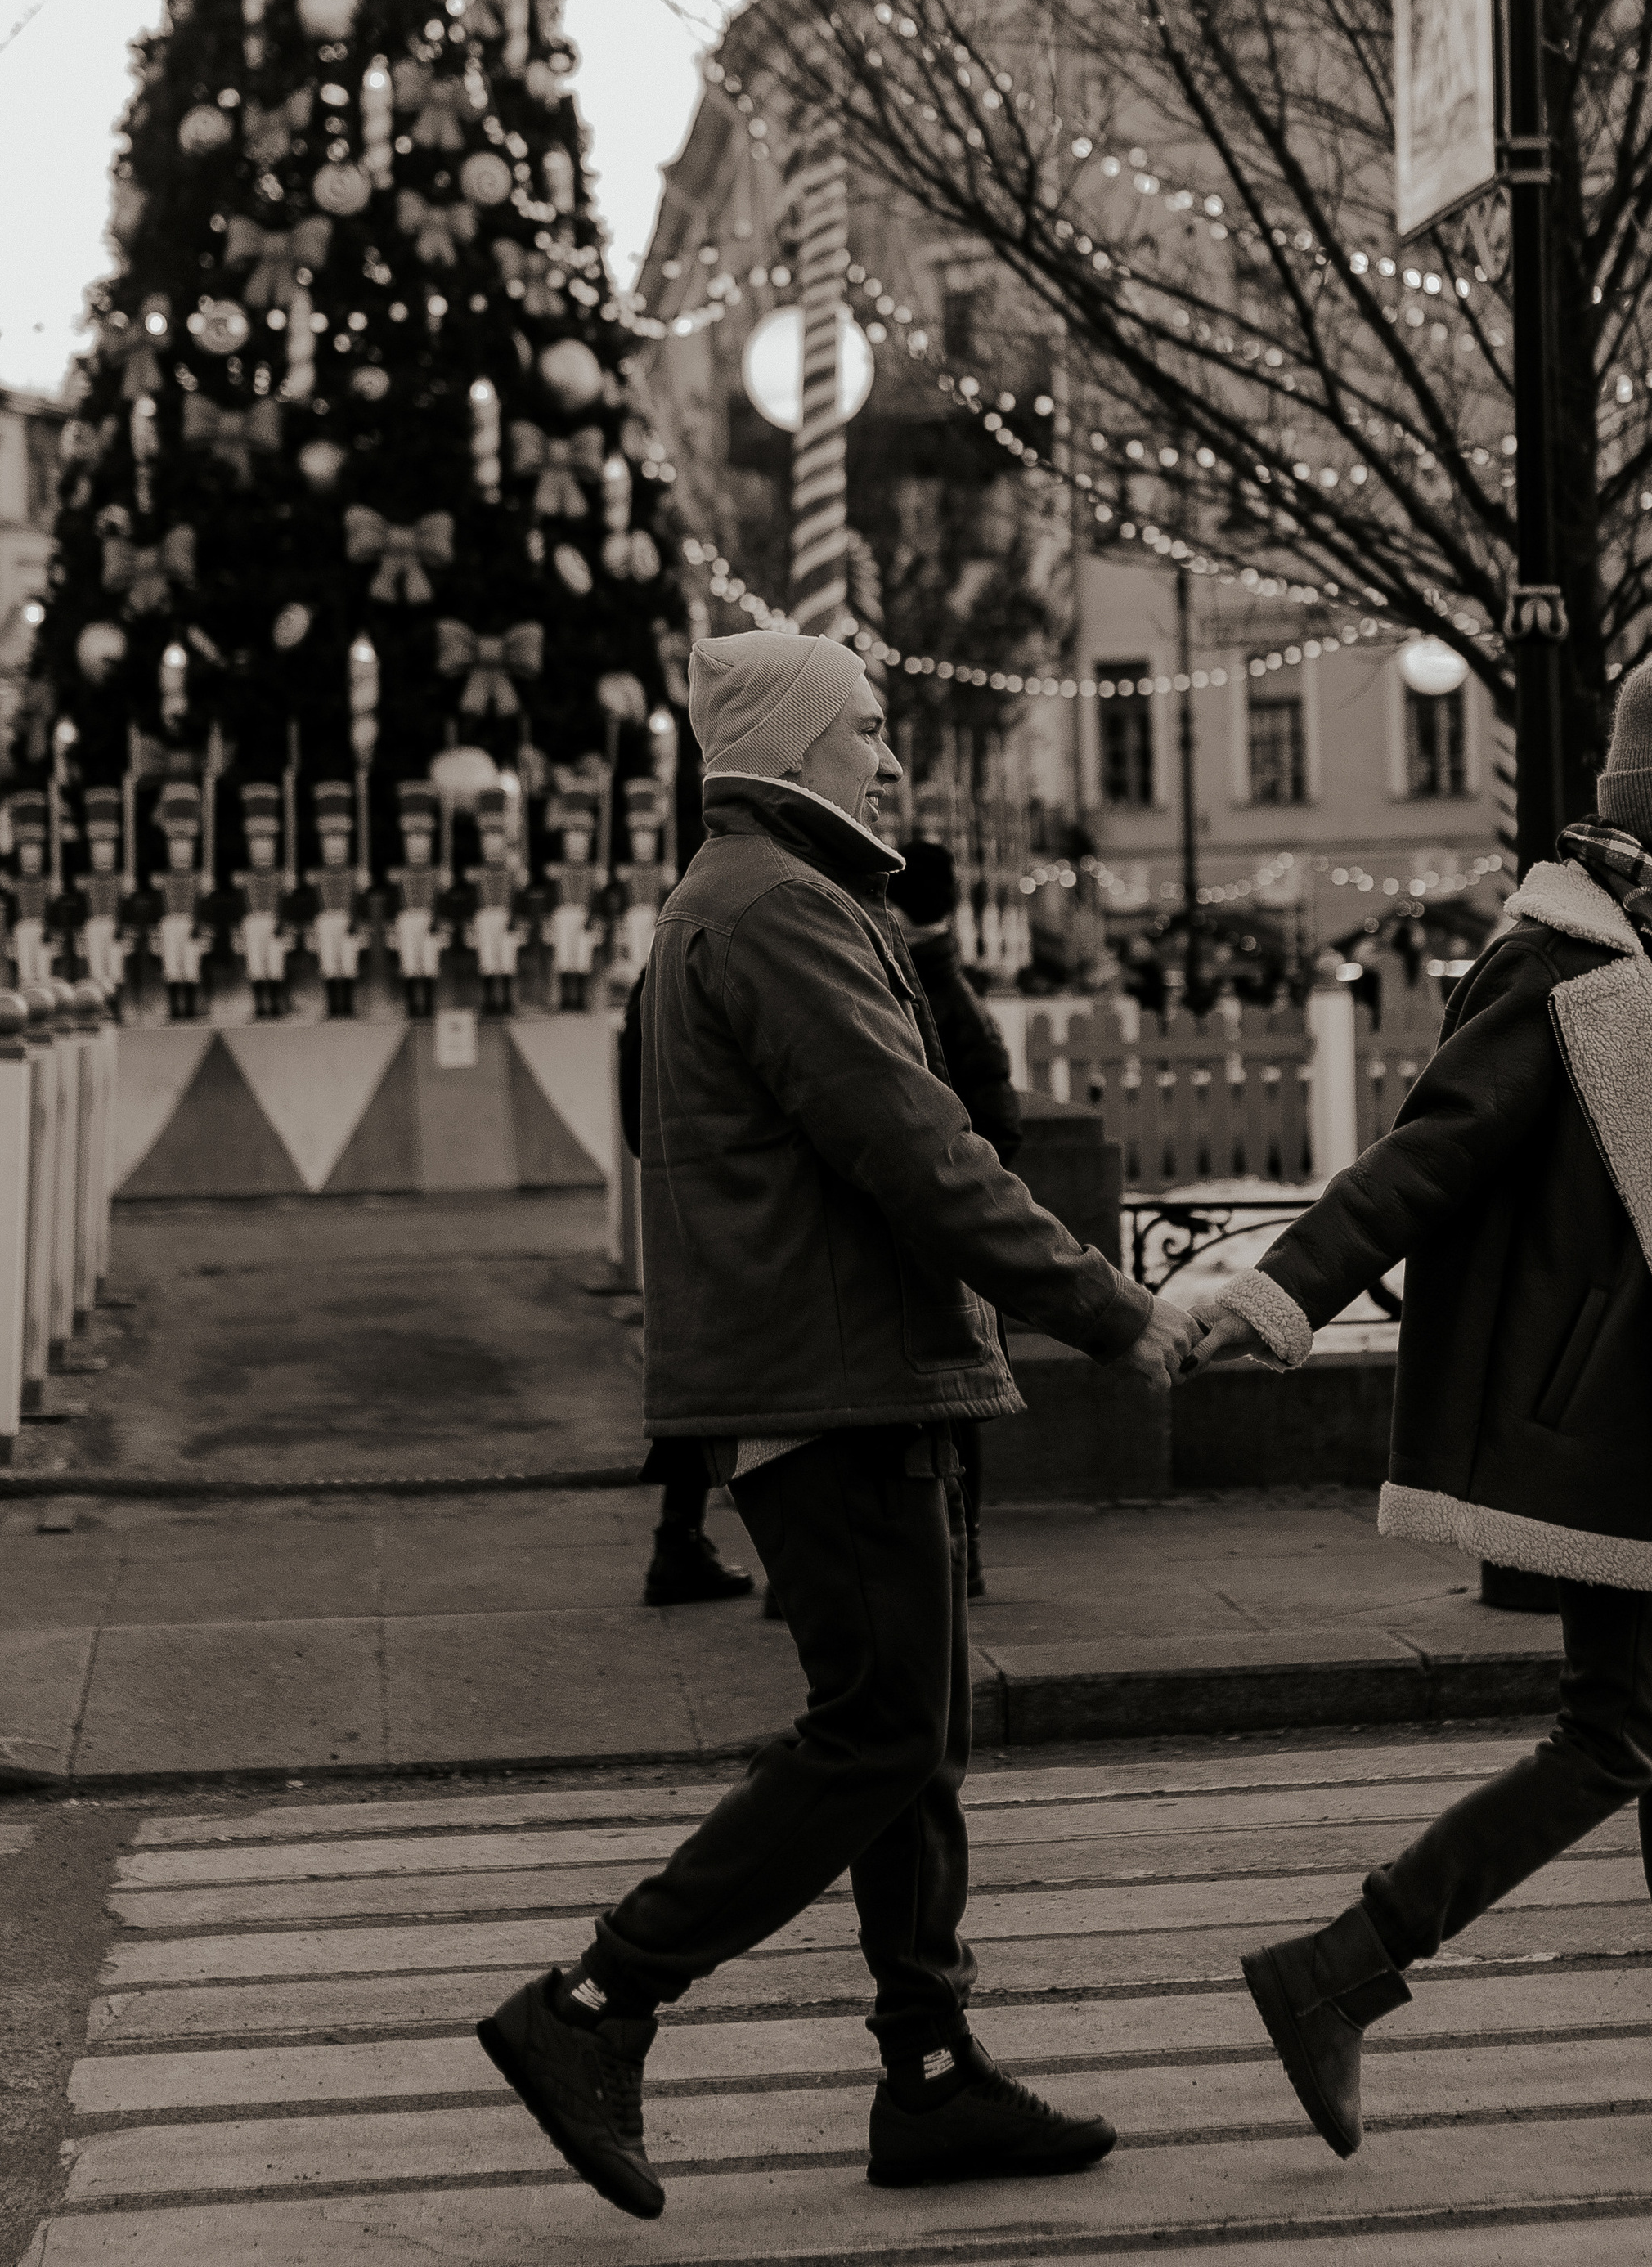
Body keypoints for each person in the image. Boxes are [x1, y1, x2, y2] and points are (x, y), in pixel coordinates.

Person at [479, 629, 1192, 2220]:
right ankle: (597, 2000)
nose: (889, 756)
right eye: (864, 729)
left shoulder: (784, 895)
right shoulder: (773, 907)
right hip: (829, 1379)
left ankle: (930, 2075)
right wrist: (1112, 1310)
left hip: (856, 1370)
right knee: (875, 1730)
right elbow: (918, 1152)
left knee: (910, 1740)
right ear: (794, 749)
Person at [1188, 658, 1652, 2157]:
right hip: (1609, 1428)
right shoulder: (1572, 967)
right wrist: (1280, 1291)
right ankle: (1341, 1968)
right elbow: (1428, 1150)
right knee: (1619, 1734)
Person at [887, 836, 1022, 1599]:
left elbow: (998, 1127)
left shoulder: (936, 996)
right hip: (951, 1227)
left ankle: (960, 1552)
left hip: (945, 1234)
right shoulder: (941, 988)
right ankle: (957, 1550)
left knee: (954, 1402)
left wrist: (952, 1195)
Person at [614, 969, 756, 1609]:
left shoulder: (655, 978)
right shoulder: (742, 959)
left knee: (706, 1363)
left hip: (683, 1183)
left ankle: (679, 1539)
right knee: (765, 1364)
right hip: (745, 1189)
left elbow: (633, 1106)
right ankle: (788, 1563)